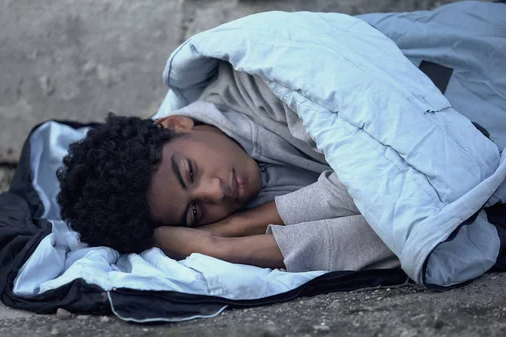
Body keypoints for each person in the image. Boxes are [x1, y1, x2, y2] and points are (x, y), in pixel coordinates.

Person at [57, 62, 399, 272]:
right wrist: (221, 249)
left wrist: (233, 228)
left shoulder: (262, 83)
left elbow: (379, 178)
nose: (216, 193)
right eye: (194, 214)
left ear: (175, 125)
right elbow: (391, 234)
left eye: (190, 172)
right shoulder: (221, 219)